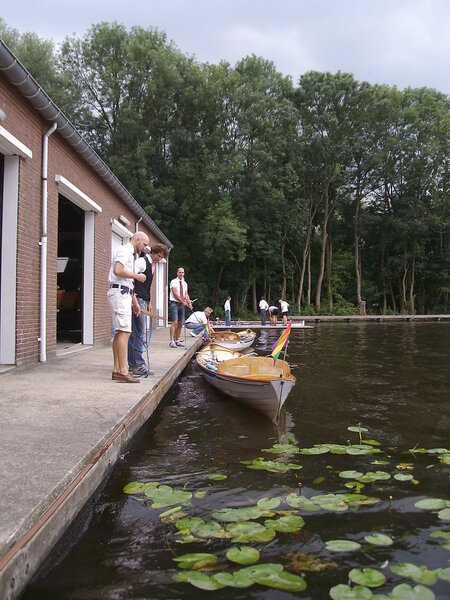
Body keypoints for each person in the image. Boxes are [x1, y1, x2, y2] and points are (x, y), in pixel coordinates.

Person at [107, 231, 149, 383]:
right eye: (144, 244)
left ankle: (117, 370)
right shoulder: (125, 250)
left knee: (120, 332)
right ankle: (123, 370)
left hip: (122, 293)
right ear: (137, 239)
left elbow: (125, 282)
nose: (144, 248)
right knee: (124, 331)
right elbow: (117, 270)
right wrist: (137, 276)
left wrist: (135, 303)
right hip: (119, 294)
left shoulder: (129, 253)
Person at [128, 243, 169, 376]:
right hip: (137, 300)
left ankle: (134, 364)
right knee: (138, 334)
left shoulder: (152, 266)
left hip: (143, 300)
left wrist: (149, 301)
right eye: (158, 255)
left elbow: (147, 284)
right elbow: (129, 276)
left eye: (161, 257)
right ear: (154, 252)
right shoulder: (141, 262)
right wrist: (134, 300)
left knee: (138, 333)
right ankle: (137, 365)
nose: (159, 259)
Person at [169, 267, 193, 347]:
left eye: (182, 272)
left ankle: (177, 340)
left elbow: (186, 294)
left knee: (180, 323)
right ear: (177, 273)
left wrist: (189, 302)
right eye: (180, 272)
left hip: (181, 304)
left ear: (184, 273)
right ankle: (171, 340)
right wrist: (183, 302)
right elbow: (175, 294)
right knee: (174, 322)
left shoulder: (184, 283)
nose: (181, 274)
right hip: (174, 303)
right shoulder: (173, 282)